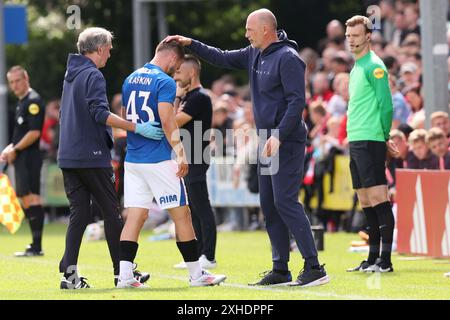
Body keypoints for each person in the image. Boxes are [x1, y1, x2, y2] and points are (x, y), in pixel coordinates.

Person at [165, 8, 329, 287]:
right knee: (268, 204)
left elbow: (296, 103)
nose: (245, 34)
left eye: (249, 30)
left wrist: (277, 135)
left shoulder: (288, 58)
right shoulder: (254, 53)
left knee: (285, 201)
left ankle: (314, 267)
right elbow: (220, 56)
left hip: (285, 141)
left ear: (266, 29)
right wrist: (191, 43)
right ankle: (280, 269)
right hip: (267, 139)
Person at [116, 41, 226, 288]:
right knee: (183, 215)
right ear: (173, 58)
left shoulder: (130, 78)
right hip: (158, 158)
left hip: (133, 158)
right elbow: (168, 120)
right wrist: (180, 152)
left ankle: (124, 275)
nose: (176, 71)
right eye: (176, 66)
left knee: (135, 216)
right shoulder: (163, 81)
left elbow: (125, 117)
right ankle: (197, 275)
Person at [57, 27, 157, 289]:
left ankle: (68, 275)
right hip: (91, 155)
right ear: (99, 48)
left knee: (78, 215)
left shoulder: (71, 74)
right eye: (109, 49)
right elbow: (100, 114)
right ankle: (121, 274)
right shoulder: (93, 75)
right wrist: (135, 126)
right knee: (112, 214)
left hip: (68, 155)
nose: (110, 55)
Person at [344, 16, 398, 274]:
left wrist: (385, 136)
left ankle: (385, 262)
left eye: (355, 35)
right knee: (365, 200)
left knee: (378, 198)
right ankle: (372, 258)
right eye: (348, 35)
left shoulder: (374, 66)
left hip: (371, 139)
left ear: (368, 36)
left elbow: (386, 105)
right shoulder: (356, 66)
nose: (351, 39)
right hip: (356, 139)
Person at [171, 54, 218, 269]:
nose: (176, 77)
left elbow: (173, 122)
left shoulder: (199, 97)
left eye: (179, 72)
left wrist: (178, 97)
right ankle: (199, 254)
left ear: (192, 72)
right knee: (194, 209)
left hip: (197, 157)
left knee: (201, 207)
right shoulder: (191, 97)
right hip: (189, 157)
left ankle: (208, 256)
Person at [0, 66, 46, 257]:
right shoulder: (21, 102)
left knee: (32, 198)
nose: (15, 85)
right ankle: (34, 244)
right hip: (21, 156)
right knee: (25, 199)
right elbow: (21, 133)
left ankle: (37, 246)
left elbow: (35, 133)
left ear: (26, 78)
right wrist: (10, 147)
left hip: (29, 157)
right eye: (11, 82)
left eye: (18, 80)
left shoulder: (33, 101)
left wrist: (16, 149)